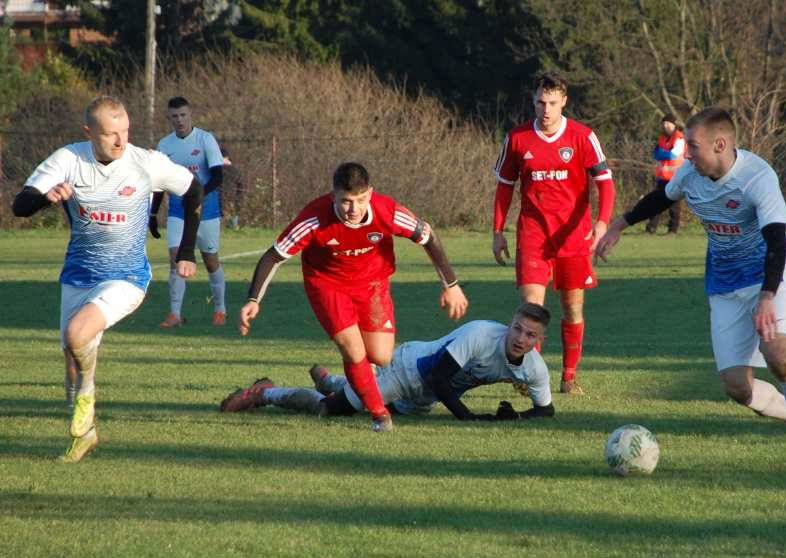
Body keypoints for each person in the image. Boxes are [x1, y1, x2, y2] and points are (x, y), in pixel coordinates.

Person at [595, 106, 786, 479]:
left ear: (720, 144)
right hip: (723, 285)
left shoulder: (758, 178)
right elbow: (662, 196)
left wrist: (768, 295)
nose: (687, 153)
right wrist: (618, 226)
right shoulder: (691, 174)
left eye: (693, 146)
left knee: (777, 356)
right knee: (738, 388)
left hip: (766, 279)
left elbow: (777, 241)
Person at [11, 95, 203, 462]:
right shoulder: (69, 160)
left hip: (127, 276)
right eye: (111, 134)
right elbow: (20, 205)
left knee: (77, 335)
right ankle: (86, 431)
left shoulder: (144, 162)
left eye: (125, 131)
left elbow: (193, 190)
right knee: (71, 358)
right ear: (89, 132)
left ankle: (89, 393)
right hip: (78, 274)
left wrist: (186, 251)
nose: (120, 141)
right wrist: (46, 198)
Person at [238, 162, 469, 432]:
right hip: (327, 285)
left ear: (370, 194)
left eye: (360, 200)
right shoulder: (314, 218)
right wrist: (253, 300)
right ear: (333, 195)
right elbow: (273, 256)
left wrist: (451, 285)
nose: (353, 209)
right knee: (353, 349)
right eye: (346, 201)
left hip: (372, 285)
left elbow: (428, 237)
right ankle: (379, 415)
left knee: (381, 357)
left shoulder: (388, 212)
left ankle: (334, 384)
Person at [492, 72, 615, 396]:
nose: (545, 109)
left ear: (564, 102)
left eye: (551, 103)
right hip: (533, 236)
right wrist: (497, 230)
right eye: (540, 102)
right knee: (532, 309)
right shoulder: (518, 139)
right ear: (533, 101)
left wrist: (601, 224)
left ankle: (569, 376)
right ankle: (531, 377)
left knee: (573, 308)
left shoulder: (582, 136)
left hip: (574, 238)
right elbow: (504, 188)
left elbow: (605, 183)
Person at [221, 303, 554, 422]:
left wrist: (515, 418)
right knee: (330, 409)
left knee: (356, 395)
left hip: (422, 399)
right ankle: (265, 393)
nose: (520, 338)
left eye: (529, 335)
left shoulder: (534, 368)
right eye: (517, 328)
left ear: (538, 341)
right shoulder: (482, 335)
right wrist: (468, 418)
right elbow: (440, 377)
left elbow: (546, 411)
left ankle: (336, 380)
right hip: (406, 370)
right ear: (509, 325)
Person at [151, 96, 227, 327]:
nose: (179, 120)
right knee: (175, 258)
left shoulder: (205, 139)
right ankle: (175, 314)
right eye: (174, 116)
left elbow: (218, 176)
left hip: (207, 208)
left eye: (183, 115)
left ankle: (220, 308)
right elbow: (158, 183)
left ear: (190, 114)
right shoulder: (164, 146)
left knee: (210, 259)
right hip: (178, 208)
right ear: (169, 118)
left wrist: (199, 195)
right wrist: (153, 214)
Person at [646, 113, 685, 234]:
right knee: (656, 202)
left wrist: (663, 153)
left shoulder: (679, 138)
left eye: (668, 123)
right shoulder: (662, 138)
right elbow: (655, 154)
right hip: (662, 177)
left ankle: (673, 229)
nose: (665, 126)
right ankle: (651, 228)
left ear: (674, 124)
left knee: (674, 205)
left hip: (676, 177)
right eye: (664, 123)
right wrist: (664, 153)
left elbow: (673, 155)